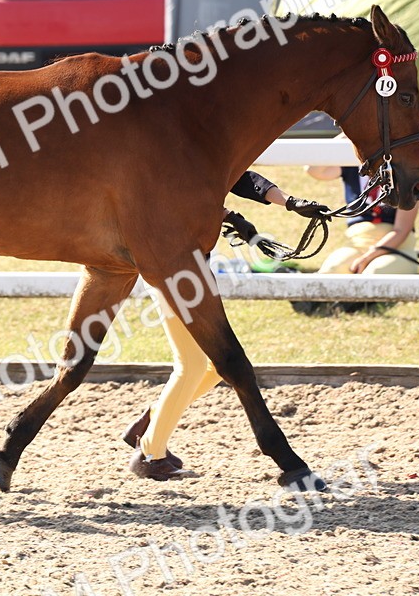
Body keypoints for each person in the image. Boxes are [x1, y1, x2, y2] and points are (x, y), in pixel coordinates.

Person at [124, 170, 330, 481]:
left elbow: (243, 179)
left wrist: (291, 202)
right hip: (169, 270)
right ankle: (151, 454)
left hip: (193, 270)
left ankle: (153, 419)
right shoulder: (173, 156)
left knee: (212, 366)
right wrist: (229, 215)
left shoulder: (201, 153)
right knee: (192, 365)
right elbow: (178, 198)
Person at [287, 164, 419, 315]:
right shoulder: (351, 166)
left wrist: (368, 257)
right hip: (358, 244)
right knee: (333, 269)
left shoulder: (404, 171)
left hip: (396, 249)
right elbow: (313, 170)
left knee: (374, 273)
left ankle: (347, 302)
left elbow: (401, 230)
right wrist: (347, 140)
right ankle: (307, 296)